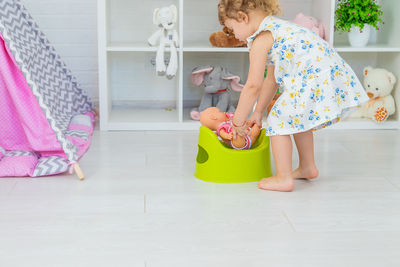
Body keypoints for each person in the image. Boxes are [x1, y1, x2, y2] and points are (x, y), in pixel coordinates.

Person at [218, 0, 369, 192]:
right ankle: (308, 167)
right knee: (296, 116)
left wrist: (238, 122)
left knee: (278, 119)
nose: (234, 36)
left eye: (231, 29)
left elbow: (252, 86)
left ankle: (283, 177)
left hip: (313, 76)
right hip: (325, 72)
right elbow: (270, 80)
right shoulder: (279, 28)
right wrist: (257, 112)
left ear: (243, 18)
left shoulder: (261, 39)